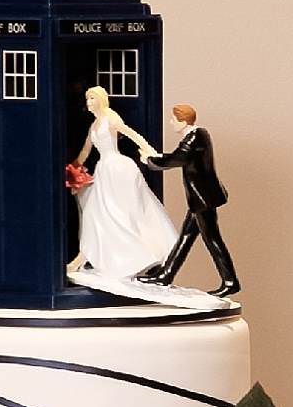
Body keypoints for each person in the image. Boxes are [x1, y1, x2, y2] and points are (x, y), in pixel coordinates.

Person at [66, 84, 178, 282]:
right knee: (95, 213)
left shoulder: (111, 118)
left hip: (118, 169)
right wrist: (72, 167)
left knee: (121, 213)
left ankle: (137, 255)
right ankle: (84, 256)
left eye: (91, 98)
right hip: (104, 169)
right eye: (87, 99)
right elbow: (85, 150)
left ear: (100, 99)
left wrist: (152, 152)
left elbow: (131, 134)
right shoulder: (95, 125)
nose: (88, 103)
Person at [137, 103, 241, 297]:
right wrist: (156, 157)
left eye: (173, 119)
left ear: (182, 121)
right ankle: (166, 275)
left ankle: (230, 281)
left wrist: (151, 161)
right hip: (199, 198)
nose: (170, 122)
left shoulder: (195, 137)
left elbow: (179, 159)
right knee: (186, 237)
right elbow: (181, 156)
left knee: (212, 239)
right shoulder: (197, 135)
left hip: (203, 198)